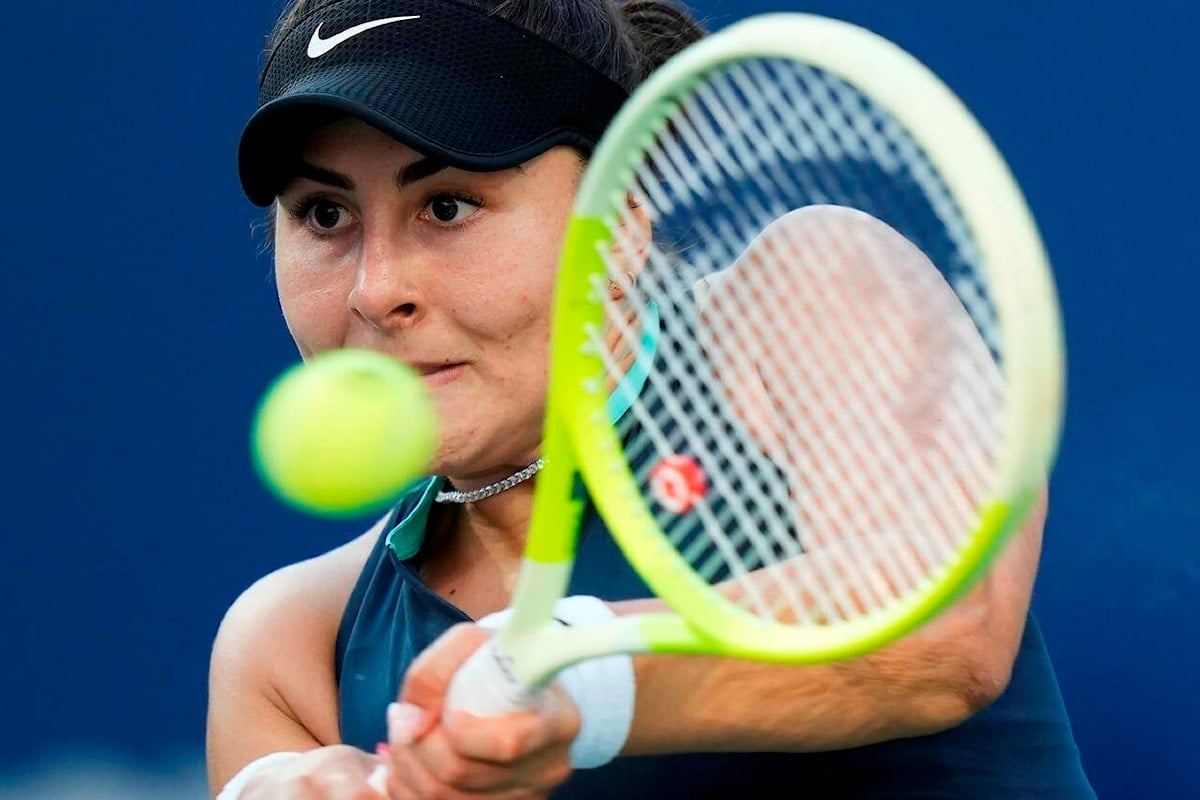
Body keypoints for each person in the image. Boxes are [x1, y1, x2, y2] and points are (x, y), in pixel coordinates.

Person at [208, 0, 1097, 797]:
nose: (376, 288)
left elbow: (946, 623)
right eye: (324, 215)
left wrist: (577, 676)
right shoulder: (291, 648)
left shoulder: (807, 297)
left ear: (624, 218)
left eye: (447, 205)